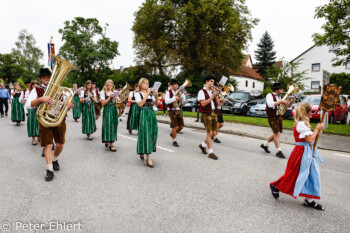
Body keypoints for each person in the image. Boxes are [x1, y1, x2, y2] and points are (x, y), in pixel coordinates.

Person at [269, 102, 325, 210]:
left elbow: (314, 136)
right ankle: (276, 186)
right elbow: (309, 139)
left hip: (307, 151)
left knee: (310, 174)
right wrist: (317, 129)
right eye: (311, 112)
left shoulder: (304, 123)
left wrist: (319, 129)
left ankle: (309, 200)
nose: (312, 114)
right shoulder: (300, 124)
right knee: (294, 174)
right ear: (307, 113)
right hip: (301, 152)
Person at [26, 68, 74, 181]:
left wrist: (68, 106)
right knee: (47, 145)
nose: (46, 79)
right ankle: (49, 169)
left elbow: (63, 104)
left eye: (48, 77)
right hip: (44, 120)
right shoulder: (36, 90)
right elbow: (28, 105)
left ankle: (54, 159)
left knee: (60, 144)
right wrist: (41, 99)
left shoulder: (59, 89)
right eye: (44, 78)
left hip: (59, 119)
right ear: (40, 79)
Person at [260, 83, 296, 159]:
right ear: (276, 90)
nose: (283, 90)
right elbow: (270, 104)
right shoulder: (269, 95)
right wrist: (281, 102)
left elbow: (288, 106)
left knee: (276, 132)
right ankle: (278, 151)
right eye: (281, 89)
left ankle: (265, 144)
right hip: (272, 117)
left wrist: (291, 101)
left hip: (279, 116)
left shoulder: (281, 97)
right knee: (277, 133)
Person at [135, 78, 158, 168]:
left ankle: (142, 150)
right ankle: (148, 158)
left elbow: (156, 103)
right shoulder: (138, 94)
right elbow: (140, 104)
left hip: (151, 113)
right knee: (146, 134)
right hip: (144, 114)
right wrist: (147, 94)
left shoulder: (150, 94)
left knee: (152, 132)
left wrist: (155, 95)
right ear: (141, 85)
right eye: (144, 83)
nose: (146, 85)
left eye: (147, 83)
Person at [198, 75, 219, 160]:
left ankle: (203, 145)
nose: (212, 83)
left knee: (214, 134)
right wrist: (212, 97)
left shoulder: (212, 91)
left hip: (214, 113)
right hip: (206, 114)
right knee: (209, 133)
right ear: (206, 81)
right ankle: (211, 152)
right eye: (211, 81)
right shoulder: (201, 92)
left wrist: (216, 94)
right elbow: (203, 104)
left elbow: (217, 102)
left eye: (213, 82)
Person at [165, 79, 186, 147]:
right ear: (171, 85)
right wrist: (174, 98)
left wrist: (182, 93)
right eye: (175, 84)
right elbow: (166, 101)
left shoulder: (179, 92)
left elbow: (183, 101)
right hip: (171, 110)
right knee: (174, 126)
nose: (176, 86)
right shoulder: (168, 92)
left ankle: (173, 134)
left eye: (177, 84)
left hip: (178, 109)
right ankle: (174, 140)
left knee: (181, 126)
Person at [100, 79, 119, 152]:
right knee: (107, 125)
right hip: (107, 109)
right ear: (106, 85)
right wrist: (110, 97)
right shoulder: (103, 92)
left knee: (113, 125)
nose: (110, 86)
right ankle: (108, 141)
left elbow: (117, 103)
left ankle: (111, 142)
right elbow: (103, 104)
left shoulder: (114, 92)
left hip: (113, 109)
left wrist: (117, 98)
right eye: (109, 85)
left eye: (111, 85)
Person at [26, 80, 40, 145]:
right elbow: (27, 103)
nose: (35, 86)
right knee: (32, 124)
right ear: (32, 86)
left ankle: (39, 136)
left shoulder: (40, 91)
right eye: (34, 85)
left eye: (36, 85)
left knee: (39, 123)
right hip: (32, 109)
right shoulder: (28, 92)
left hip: (39, 109)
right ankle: (33, 138)